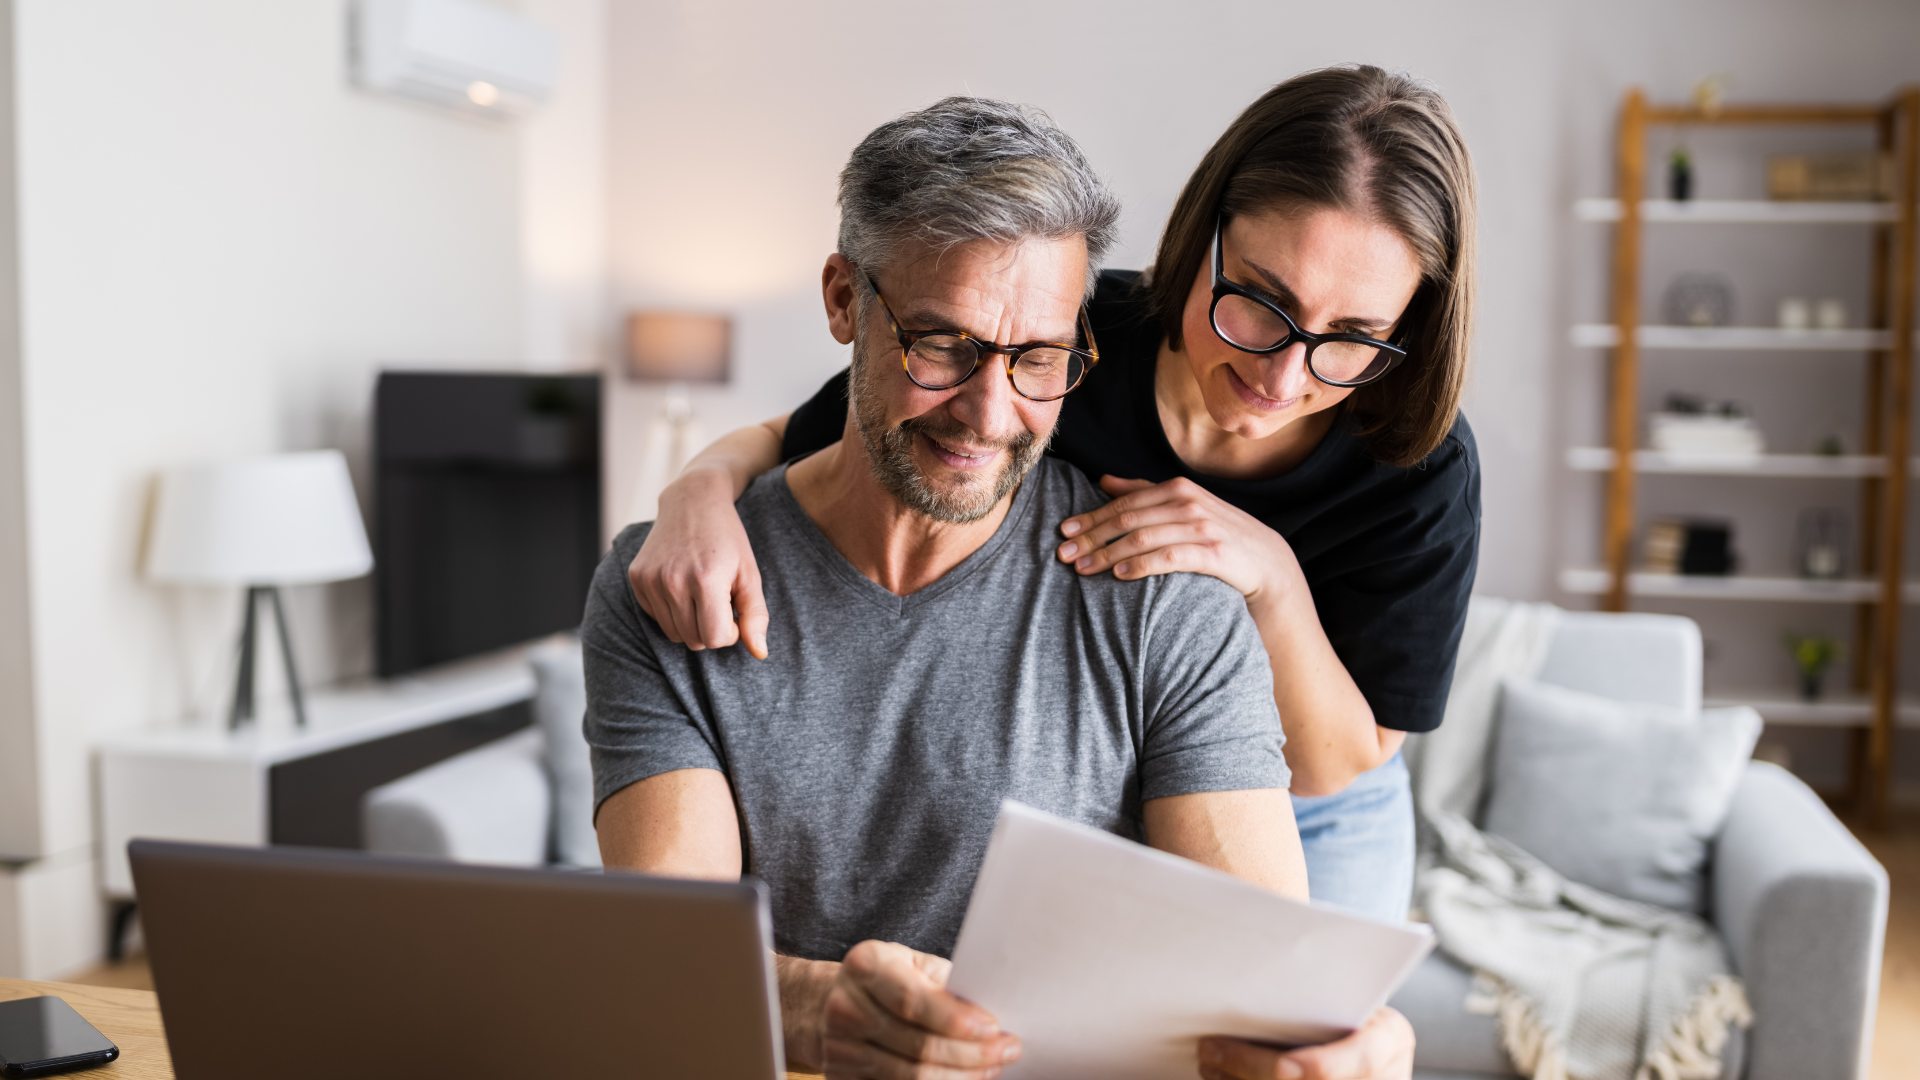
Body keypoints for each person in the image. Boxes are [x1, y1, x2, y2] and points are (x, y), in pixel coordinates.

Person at [588, 97, 1413, 1080]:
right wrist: (815, 1009)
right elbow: (664, 968)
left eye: (1039, 359)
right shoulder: (676, 588)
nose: (990, 413)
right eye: (942, 345)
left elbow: (1265, 994)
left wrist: (1363, 1045)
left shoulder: (1168, 604)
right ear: (844, 299)